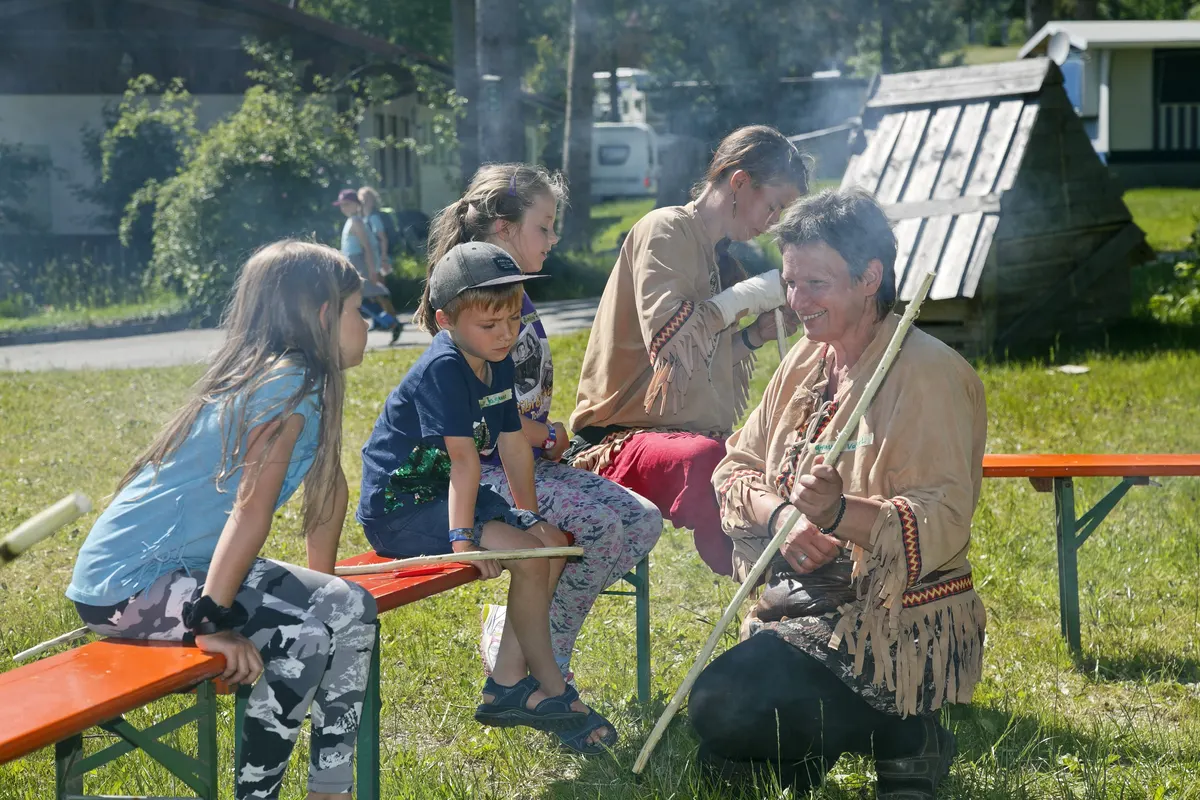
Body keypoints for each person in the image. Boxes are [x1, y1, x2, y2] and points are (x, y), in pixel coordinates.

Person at [689, 189, 988, 799]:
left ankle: (906, 732)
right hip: (797, 606)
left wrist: (839, 513)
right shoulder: (805, 358)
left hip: (889, 621)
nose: (797, 301)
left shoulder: (930, 373)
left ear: (868, 278)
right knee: (719, 715)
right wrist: (782, 517)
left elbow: (946, 516)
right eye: (790, 282)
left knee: (724, 704)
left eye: (816, 284)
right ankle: (816, 741)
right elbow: (736, 466)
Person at [66, 241, 375, 800]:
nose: (369, 323)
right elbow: (250, 510)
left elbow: (328, 491)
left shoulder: (309, 383)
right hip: (126, 583)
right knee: (301, 639)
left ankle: (331, 787)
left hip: (190, 568)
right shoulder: (286, 387)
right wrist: (212, 622)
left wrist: (325, 590)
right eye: (359, 309)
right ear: (324, 315)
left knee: (352, 605)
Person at [415, 164, 664, 753]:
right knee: (600, 527)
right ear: (504, 228)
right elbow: (482, 429)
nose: (553, 239)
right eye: (543, 226)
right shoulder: (478, 309)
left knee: (641, 520)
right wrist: (544, 433)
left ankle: (515, 653)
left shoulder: (513, 299)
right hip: (492, 472)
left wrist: (546, 438)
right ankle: (546, 680)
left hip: (529, 460)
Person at [358, 241, 612, 740]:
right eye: (490, 325)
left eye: (513, 319)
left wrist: (530, 519)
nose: (506, 334)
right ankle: (552, 688)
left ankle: (506, 684)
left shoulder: (496, 361)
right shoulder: (444, 367)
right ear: (446, 321)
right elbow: (463, 460)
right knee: (533, 559)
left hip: (447, 495)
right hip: (401, 507)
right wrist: (463, 541)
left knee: (550, 544)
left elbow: (513, 444)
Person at [567, 125, 809, 577]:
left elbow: (697, 360)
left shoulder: (720, 258)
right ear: (739, 181)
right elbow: (670, 340)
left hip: (672, 436)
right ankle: (769, 576)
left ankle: (782, 578)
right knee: (708, 461)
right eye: (773, 205)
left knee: (769, 457)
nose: (773, 221)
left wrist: (754, 336)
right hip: (614, 442)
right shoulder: (665, 228)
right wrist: (746, 297)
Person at [336, 188, 402, 344]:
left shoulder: (357, 222)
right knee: (358, 299)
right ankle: (391, 322)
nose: (344, 208)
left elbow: (367, 248)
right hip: (353, 265)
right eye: (341, 205)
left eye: (347, 204)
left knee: (356, 299)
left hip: (359, 265)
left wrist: (372, 270)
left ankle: (391, 322)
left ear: (356, 204)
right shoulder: (351, 221)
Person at [358, 186, 392, 277]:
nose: (364, 201)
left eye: (367, 198)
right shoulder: (362, 218)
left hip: (378, 257)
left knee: (379, 281)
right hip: (370, 257)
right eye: (362, 198)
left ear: (373, 201)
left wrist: (384, 258)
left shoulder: (374, 218)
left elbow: (383, 238)